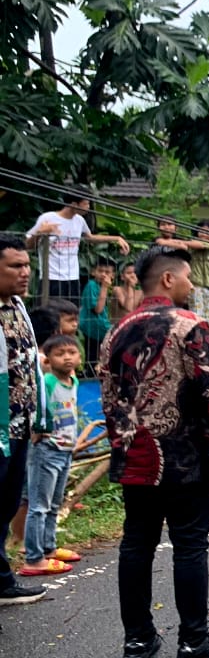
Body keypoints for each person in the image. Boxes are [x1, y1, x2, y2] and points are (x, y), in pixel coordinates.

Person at [98, 245, 209, 657]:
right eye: (188, 277)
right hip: (184, 457)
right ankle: (194, 640)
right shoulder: (190, 325)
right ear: (167, 278)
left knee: (136, 545)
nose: (192, 285)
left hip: (135, 457)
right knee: (190, 546)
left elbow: (109, 398)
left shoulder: (116, 331)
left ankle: (138, 640)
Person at [0, 235, 49, 606]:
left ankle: (2, 580)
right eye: (15, 266)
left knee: (6, 503)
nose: (25, 272)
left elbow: (32, 365)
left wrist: (39, 417)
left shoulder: (18, 307)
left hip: (19, 426)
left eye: (27, 265)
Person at [21, 334, 83, 576]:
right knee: (39, 506)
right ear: (47, 359)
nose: (67, 357)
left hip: (65, 450)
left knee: (54, 504)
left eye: (72, 352)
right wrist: (35, 431)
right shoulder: (47, 381)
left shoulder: (73, 381)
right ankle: (34, 558)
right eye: (60, 354)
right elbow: (34, 404)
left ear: (80, 357)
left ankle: (49, 549)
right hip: (47, 450)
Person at [24, 190, 131, 304]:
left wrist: (116, 238)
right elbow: (27, 245)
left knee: (71, 311)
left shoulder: (79, 220)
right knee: (49, 312)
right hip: (51, 277)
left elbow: (90, 238)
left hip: (73, 278)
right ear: (74, 204)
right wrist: (40, 233)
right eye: (86, 203)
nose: (88, 207)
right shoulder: (48, 218)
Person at [79, 257, 115, 366]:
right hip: (92, 329)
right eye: (100, 271)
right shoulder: (91, 285)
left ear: (113, 275)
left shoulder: (102, 287)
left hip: (100, 329)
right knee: (92, 360)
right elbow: (98, 309)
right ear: (93, 272)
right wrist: (104, 287)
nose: (103, 274)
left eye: (107, 272)